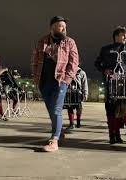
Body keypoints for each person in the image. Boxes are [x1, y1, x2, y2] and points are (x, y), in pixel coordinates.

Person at [31, 16, 79, 152]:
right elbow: (34, 60)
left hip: (60, 81)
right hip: (44, 81)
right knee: (51, 110)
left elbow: (74, 63)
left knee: (57, 109)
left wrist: (67, 80)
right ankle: (60, 133)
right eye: (60, 26)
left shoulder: (70, 42)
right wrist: (36, 78)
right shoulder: (42, 41)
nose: (63, 28)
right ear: (52, 27)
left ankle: (54, 140)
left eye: (64, 26)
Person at [95, 26, 126, 144]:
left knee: (121, 110)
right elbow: (97, 63)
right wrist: (104, 70)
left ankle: (117, 134)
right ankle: (112, 135)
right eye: (123, 35)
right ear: (116, 36)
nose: (125, 38)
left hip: (123, 84)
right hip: (110, 83)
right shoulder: (105, 49)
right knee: (110, 110)